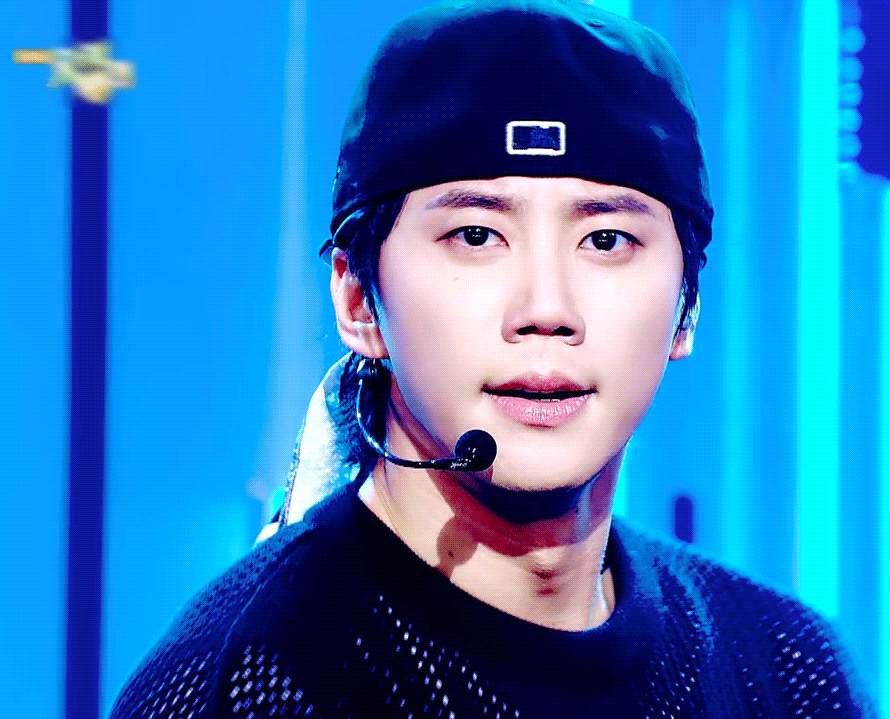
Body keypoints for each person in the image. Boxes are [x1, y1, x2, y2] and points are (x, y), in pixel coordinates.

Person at [110, 1, 877, 717]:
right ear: (357, 298)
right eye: (476, 236)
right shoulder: (249, 681)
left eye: (606, 239)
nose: (546, 307)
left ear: (687, 306)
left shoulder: (787, 667)